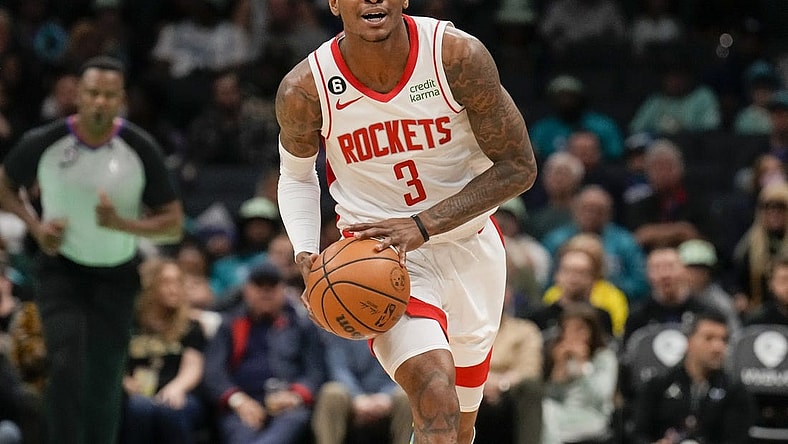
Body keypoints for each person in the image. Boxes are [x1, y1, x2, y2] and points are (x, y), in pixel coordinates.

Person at [275, 2, 538, 443]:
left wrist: (423, 225)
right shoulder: (306, 87)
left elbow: (520, 167)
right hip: (382, 259)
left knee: (459, 427)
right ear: (335, 3)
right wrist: (305, 250)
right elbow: (297, 176)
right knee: (436, 397)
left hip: (471, 249)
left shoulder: (456, 57)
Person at [0, 56, 184, 444]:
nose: (100, 102)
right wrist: (35, 225)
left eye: (109, 95)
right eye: (93, 93)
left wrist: (122, 224)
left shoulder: (139, 148)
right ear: (79, 96)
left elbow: (172, 223)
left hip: (117, 276)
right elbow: (5, 184)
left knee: (105, 375)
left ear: (121, 101)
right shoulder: (44, 141)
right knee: (66, 362)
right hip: (60, 271)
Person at [202, 262, 325, 444]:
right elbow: (213, 372)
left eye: (272, 286)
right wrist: (238, 400)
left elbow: (316, 370)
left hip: (288, 405)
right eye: (259, 286)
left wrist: (296, 396)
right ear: (246, 289)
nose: (266, 292)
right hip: (243, 403)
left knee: (287, 428)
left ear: (283, 289)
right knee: (240, 435)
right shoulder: (230, 325)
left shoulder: (301, 326)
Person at [630, 310, 755, 444]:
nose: (718, 347)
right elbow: (638, 434)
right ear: (689, 342)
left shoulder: (735, 391)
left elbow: (737, 439)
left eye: (724, 340)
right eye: (709, 338)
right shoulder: (658, 385)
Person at [121, 258, 207, 444]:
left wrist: (177, 387)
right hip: (136, 394)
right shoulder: (130, 325)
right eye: (166, 282)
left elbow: (193, 365)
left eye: (178, 282)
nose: (173, 289)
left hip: (177, 392)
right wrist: (124, 380)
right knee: (139, 406)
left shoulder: (191, 326)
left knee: (169, 408)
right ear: (150, 286)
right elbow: (114, 362)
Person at [312, 330, 412, 444]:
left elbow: (404, 370)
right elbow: (339, 369)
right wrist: (357, 397)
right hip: (352, 396)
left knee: (406, 396)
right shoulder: (340, 327)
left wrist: (386, 395)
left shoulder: (398, 331)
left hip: (387, 397)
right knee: (332, 392)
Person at [541, 304, 618, 444]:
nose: (573, 335)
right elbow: (551, 396)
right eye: (567, 329)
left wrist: (584, 366)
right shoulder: (563, 355)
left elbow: (600, 397)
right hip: (562, 414)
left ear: (592, 331)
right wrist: (559, 368)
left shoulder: (604, 357)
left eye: (579, 329)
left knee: (549, 422)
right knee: (544, 410)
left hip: (594, 416)